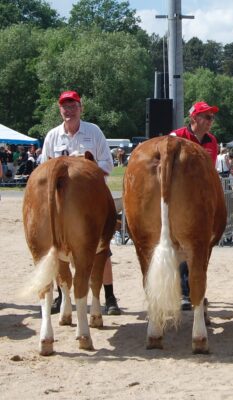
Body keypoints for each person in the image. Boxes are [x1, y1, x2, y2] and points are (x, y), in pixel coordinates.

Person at [41, 90, 121, 316]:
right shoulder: (53, 136)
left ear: (80, 108)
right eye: (64, 106)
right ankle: (62, 295)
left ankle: (110, 296)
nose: (68, 110)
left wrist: (86, 167)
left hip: (92, 200)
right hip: (61, 202)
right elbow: (43, 168)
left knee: (102, 250)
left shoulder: (93, 131)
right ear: (60, 110)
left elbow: (108, 163)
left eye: (73, 105)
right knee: (57, 248)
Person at [170, 100, 219, 310]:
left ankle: (195, 289)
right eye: (206, 117)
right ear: (194, 118)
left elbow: (211, 170)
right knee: (181, 245)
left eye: (211, 118)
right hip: (178, 197)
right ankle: (184, 291)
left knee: (201, 245)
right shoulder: (175, 137)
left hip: (200, 198)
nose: (210, 121)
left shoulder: (212, 141)